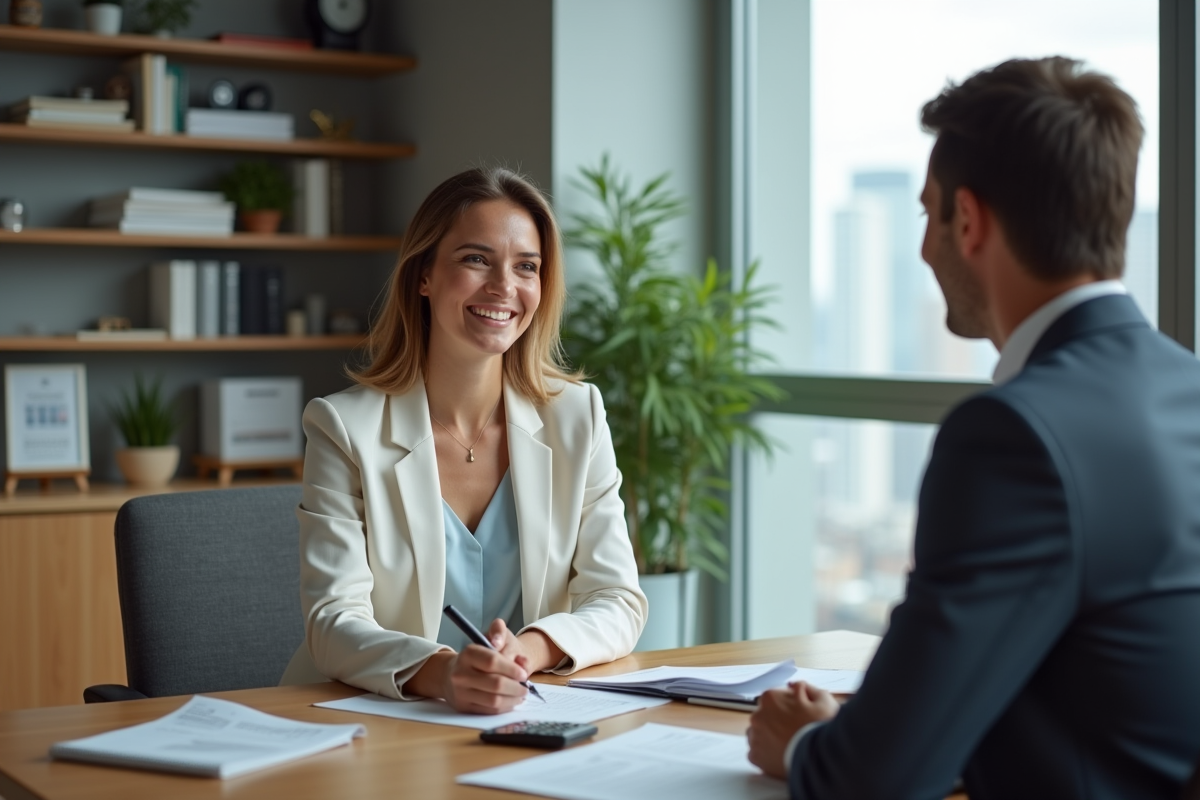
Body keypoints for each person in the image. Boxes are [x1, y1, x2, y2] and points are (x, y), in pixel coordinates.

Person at [748, 57, 1200, 798]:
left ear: (970, 220)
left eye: (929, 214)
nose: (925, 247)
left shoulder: (1014, 435)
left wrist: (804, 745)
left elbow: (873, 782)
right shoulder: (1187, 388)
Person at [280, 167, 647, 714]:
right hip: (371, 720)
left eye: (526, 267)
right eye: (476, 259)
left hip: (522, 710)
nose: (504, 287)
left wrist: (526, 652)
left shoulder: (578, 417)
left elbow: (617, 600)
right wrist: (446, 673)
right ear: (424, 274)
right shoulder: (342, 428)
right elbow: (333, 621)